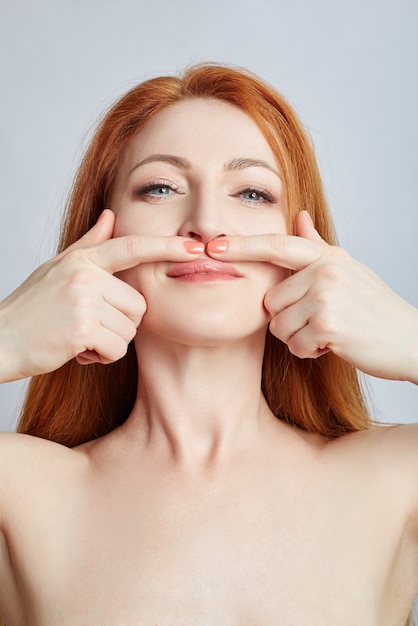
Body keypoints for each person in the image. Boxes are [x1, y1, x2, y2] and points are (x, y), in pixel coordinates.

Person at [0, 63, 417, 626]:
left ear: (302, 242)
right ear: (99, 238)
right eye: (160, 187)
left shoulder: (394, 482)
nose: (205, 223)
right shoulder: (19, 492)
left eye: (250, 191)